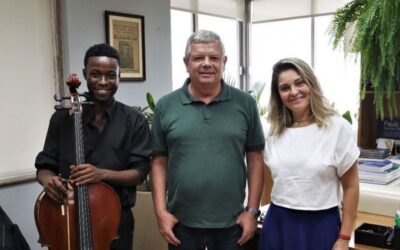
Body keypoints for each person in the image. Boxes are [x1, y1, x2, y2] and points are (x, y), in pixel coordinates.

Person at [151, 30, 265, 250]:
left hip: (233, 224)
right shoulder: (166, 106)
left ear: (224, 62)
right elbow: (158, 162)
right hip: (180, 224)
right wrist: (160, 212)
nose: (206, 64)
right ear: (186, 63)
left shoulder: (245, 104)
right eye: (198, 58)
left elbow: (255, 160)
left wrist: (251, 211)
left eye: (213, 58)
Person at [35, 43, 152, 250]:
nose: (103, 82)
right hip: (66, 217)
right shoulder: (62, 119)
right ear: (85, 74)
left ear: (119, 77)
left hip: (114, 222)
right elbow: (45, 166)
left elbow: (139, 173)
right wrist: (48, 181)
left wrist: (101, 174)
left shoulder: (134, 121)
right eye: (95, 74)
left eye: (110, 75)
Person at [258, 57, 359, 250]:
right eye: (285, 88)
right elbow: (269, 183)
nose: (294, 92)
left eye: (299, 83)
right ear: (278, 94)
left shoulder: (337, 128)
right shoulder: (274, 132)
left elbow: (352, 187)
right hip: (277, 224)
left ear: (311, 84)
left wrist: (345, 237)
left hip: (320, 225)